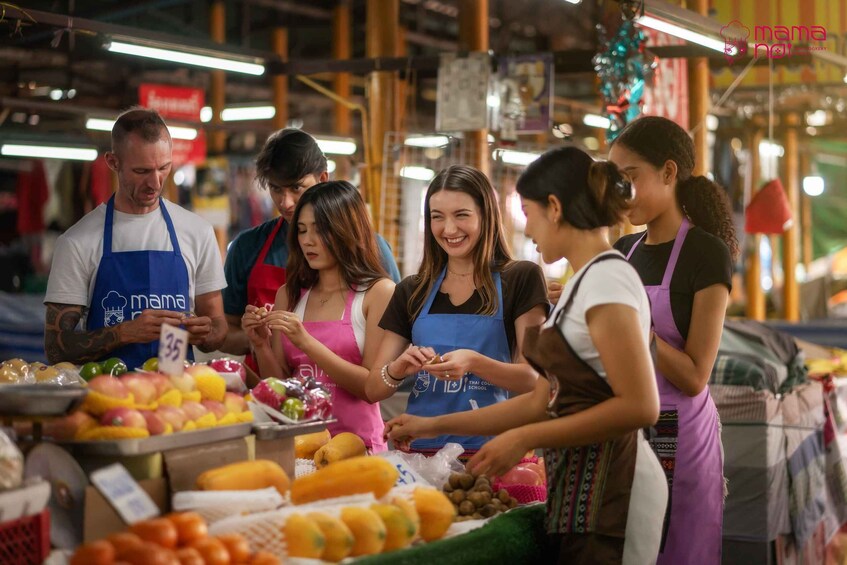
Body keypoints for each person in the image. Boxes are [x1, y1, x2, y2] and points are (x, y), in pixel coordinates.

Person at [386, 148, 667, 564]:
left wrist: (526, 438)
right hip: (580, 480)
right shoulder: (580, 283)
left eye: (528, 213)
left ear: (554, 208)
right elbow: (541, 400)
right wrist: (432, 424)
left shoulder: (608, 280)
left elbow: (642, 406)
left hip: (618, 483)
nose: (527, 229)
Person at [609, 115, 737, 565]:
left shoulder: (706, 254)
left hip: (680, 437)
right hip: (624, 428)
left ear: (668, 172)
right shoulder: (623, 252)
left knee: (677, 552)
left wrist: (633, 329)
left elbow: (695, 375)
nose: (620, 193)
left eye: (630, 178)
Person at [366, 165, 548, 458]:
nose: (448, 229)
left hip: (493, 453)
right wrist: (398, 368)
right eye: (437, 217)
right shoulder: (412, 290)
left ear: (486, 215)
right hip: (420, 454)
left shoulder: (521, 277)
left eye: (461, 215)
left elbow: (533, 378)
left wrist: (474, 362)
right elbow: (374, 388)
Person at [44, 108, 227, 369]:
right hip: (106, 396)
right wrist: (125, 333)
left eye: (164, 168)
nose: (155, 182)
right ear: (113, 162)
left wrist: (206, 333)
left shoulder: (197, 232)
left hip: (176, 395)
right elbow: (55, 348)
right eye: (141, 171)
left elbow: (218, 327)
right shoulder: (77, 242)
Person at [220, 129, 400, 378]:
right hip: (269, 392)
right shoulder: (247, 248)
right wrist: (260, 339)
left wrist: (304, 340)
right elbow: (226, 332)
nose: (286, 202)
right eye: (276, 189)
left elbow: (389, 350)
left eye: (296, 188)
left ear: (322, 179)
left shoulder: (372, 248)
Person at [244, 181, 394, 451]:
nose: (307, 241)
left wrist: (306, 342)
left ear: (347, 231)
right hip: (300, 448)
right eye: (301, 231)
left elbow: (370, 388)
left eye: (320, 230)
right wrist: (260, 344)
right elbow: (281, 387)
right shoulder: (288, 295)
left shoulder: (378, 293)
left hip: (359, 450)